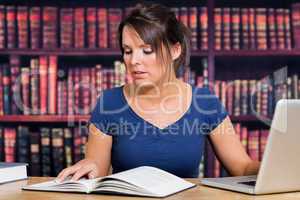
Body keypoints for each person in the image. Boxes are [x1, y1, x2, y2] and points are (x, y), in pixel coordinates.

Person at [57, 2, 260, 182]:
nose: (134, 61)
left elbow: (242, 167)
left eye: (147, 50)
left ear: (175, 50)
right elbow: (97, 169)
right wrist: (89, 167)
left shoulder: (205, 103)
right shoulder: (109, 103)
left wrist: (274, 167)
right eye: (128, 51)